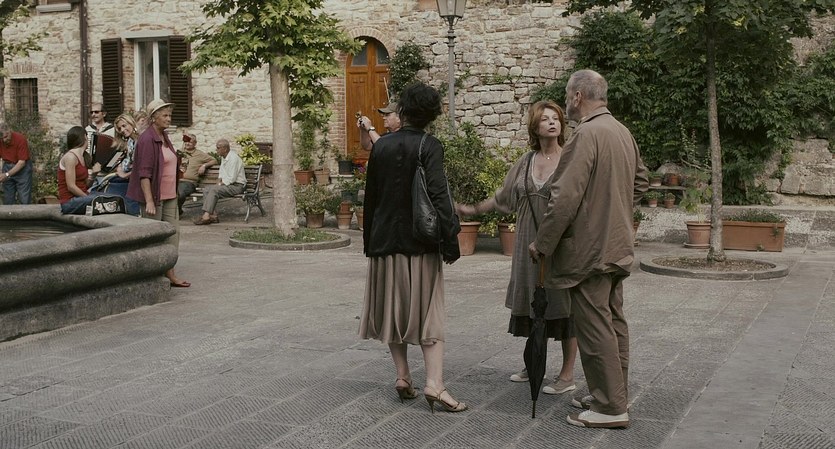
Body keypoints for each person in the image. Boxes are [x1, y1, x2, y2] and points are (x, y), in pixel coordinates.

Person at [528, 70, 648, 429]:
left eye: (568, 95)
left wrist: (542, 243)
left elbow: (564, 198)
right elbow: (641, 181)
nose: (566, 102)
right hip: (616, 243)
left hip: (590, 251)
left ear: (578, 96)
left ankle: (610, 407)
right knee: (613, 321)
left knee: (595, 326)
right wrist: (612, 211)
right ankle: (612, 395)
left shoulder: (586, 134)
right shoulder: (621, 131)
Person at [456, 100, 579, 395]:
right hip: (527, 244)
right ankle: (533, 362)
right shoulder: (526, 161)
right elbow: (504, 197)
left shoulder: (569, 160)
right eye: (545, 119)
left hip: (559, 245)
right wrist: (473, 210)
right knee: (534, 301)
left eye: (556, 118)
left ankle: (567, 374)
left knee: (565, 306)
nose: (552, 122)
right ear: (534, 127)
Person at [359, 83, 466, 414]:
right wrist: (450, 240)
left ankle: (403, 376)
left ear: (402, 111)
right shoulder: (430, 145)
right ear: (432, 116)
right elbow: (439, 196)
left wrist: (369, 242)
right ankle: (435, 384)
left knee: (394, 310)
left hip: (384, 242)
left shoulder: (381, 146)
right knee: (429, 312)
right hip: (420, 244)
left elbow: (371, 198)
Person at [127, 99, 191, 288]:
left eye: (170, 115)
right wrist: (149, 201)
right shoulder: (147, 139)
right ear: (154, 117)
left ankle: (170, 273)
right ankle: (152, 276)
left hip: (170, 195)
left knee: (173, 234)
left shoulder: (164, 136)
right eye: (165, 115)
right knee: (154, 237)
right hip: (154, 197)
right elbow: (144, 174)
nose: (169, 118)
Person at [93, 113, 141, 215]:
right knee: (98, 182)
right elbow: (111, 164)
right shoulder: (125, 144)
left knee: (106, 185)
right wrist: (116, 164)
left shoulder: (140, 141)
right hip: (121, 175)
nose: (122, 130)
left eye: (124, 126)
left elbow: (139, 167)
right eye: (119, 128)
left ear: (131, 123)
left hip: (130, 179)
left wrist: (124, 174)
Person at [193, 138, 244, 225]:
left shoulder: (233, 159)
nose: (216, 150)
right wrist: (218, 182)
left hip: (237, 186)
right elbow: (221, 173)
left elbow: (231, 179)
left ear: (225, 149)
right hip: (228, 185)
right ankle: (213, 216)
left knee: (214, 190)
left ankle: (206, 216)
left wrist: (219, 184)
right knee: (207, 189)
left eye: (218, 148)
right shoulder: (224, 157)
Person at [57, 126, 106, 214]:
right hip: (69, 202)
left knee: (111, 197)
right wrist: (88, 198)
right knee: (101, 200)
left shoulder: (84, 157)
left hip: (81, 198)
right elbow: (71, 187)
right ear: (84, 137)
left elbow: (86, 186)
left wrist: (94, 174)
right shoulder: (70, 157)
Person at [177, 132, 216, 215]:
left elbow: (214, 160)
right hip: (176, 180)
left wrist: (204, 166)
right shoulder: (179, 152)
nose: (187, 143)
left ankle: (177, 211)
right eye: (186, 141)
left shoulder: (200, 154)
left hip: (189, 183)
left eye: (190, 142)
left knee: (179, 193)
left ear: (195, 143)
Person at [0, 122, 34, 205]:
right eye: (2, 138)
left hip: (23, 169)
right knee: (8, 199)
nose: (4, 140)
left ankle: (25, 213)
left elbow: (22, 162)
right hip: (7, 166)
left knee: (24, 199)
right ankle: (9, 213)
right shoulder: (1, 140)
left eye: (6, 137)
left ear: (9, 131)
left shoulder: (20, 139)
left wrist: (7, 174)